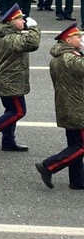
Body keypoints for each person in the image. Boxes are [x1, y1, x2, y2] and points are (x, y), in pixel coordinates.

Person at [0, 4, 41, 152]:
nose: (24, 22)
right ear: (12, 22)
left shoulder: (5, 34)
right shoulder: (9, 37)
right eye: (20, 19)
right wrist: (34, 28)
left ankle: (8, 141)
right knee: (19, 111)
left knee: (10, 109)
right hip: (9, 80)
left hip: (7, 79)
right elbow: (32, 43)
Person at [35, 23, 84, 191]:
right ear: (68, 40)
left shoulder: (64, 56)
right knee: (81, 146)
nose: (81, 39)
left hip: (70, 106)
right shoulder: (69, 58)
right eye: (78, 37)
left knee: (75, 145)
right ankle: (49, 166)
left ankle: (77, 180)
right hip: (77, 108)